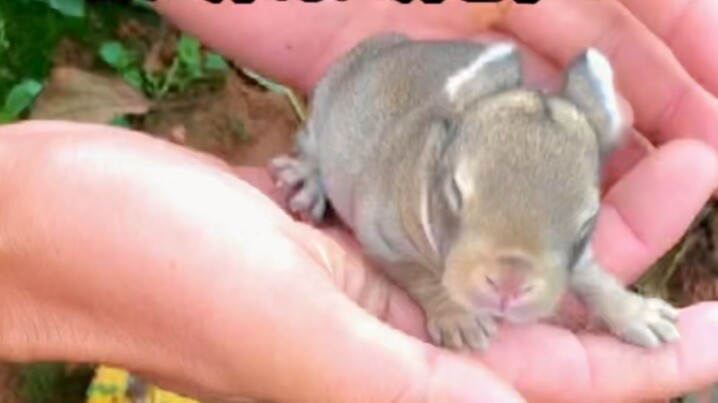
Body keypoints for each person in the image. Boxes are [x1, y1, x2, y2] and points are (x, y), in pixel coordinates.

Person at [1, 0, 718, 402]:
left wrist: (620, 306)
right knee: (337, 131)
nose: (509, 282)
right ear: (444, 156)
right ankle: (314, 160)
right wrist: (439, 298)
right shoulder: (405, 195)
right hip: (366, 99)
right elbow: (382, 237)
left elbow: (572, 250)